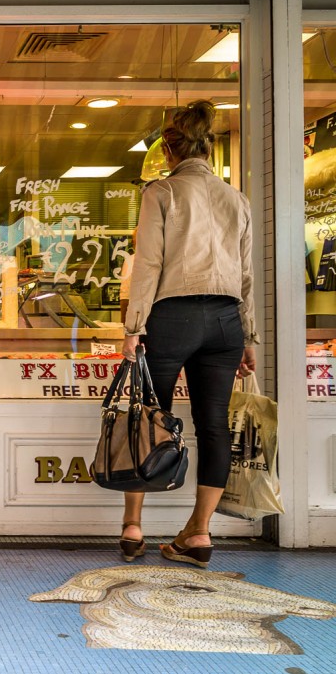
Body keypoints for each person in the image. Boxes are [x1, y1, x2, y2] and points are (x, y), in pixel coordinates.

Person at [120, 100, 258, 568]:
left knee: (148, 418)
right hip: (224, 321)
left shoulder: (162, 192)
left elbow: (149, 265)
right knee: (214, 427)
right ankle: (199, 534)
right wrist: (249, 335)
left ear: (168, 151)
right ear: (209, 148)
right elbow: (246, 275)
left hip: (172, 317)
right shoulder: (235, 197)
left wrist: (134, 327)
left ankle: (133, 526)